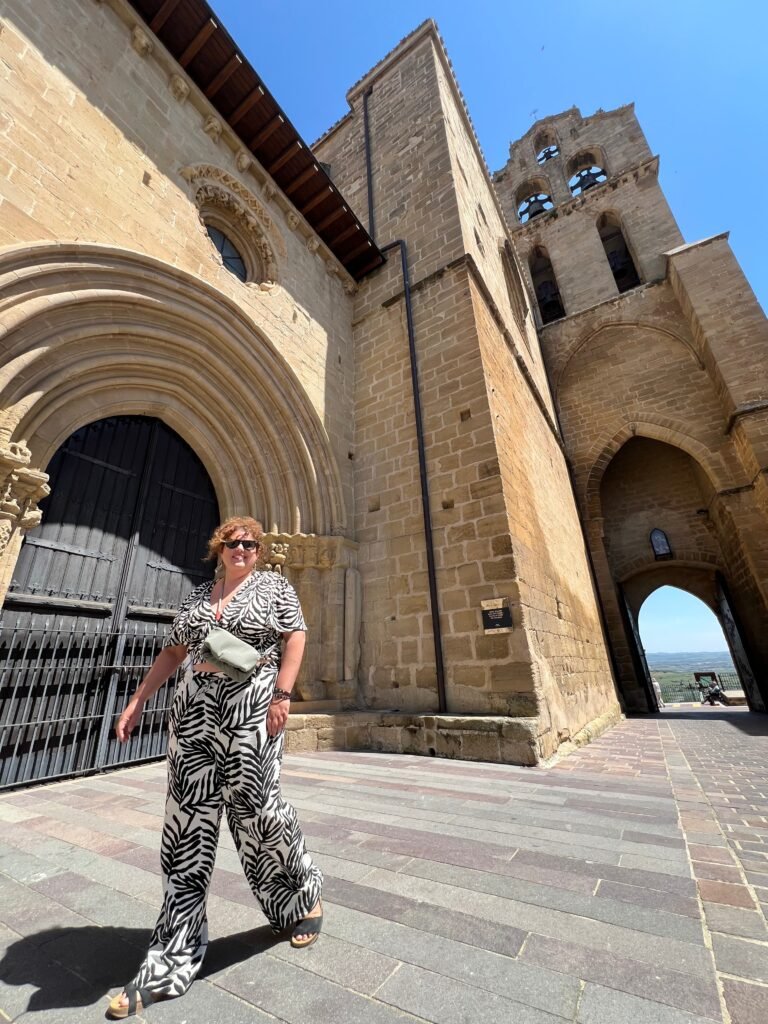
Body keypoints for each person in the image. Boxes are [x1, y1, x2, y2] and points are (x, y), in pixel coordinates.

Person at [106, 516, 322, 1020]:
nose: (242, 548)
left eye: (250, 543)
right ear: (219, 548)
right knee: (184, 825)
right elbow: (175, 649)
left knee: (258, 811)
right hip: (195, 712)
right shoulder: (199, 596)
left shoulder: (274, 587)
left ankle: (300, 898)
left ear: (259, 550)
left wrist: (284, 695)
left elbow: (295, 637)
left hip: (252, 707)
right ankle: (172, 956)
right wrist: (138, 699)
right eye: (234, 542)